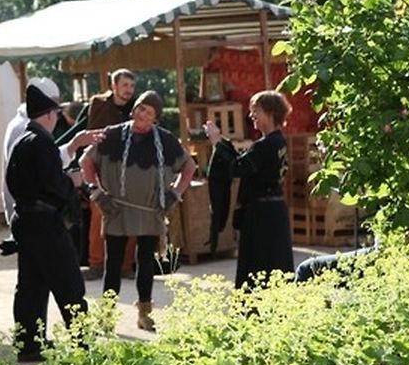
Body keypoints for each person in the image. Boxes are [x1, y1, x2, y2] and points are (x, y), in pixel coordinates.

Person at [81, 90, 195, 332]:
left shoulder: (165, 140)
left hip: (150, 210)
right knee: (113, 263)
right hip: (116, 209)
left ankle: (144, 314)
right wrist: (96, 191)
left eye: (150, 112)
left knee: (145, 263)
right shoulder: (112, 135)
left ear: (155, 118)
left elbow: (189, 166)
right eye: (141, 108)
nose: (143, 114)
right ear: (134, 109)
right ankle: (107, 315)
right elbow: (86, 161)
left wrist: (175, 193)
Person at [5, 85, 89, 362]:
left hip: (26, 220)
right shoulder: (42, 143)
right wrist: (72, 181)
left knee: (31, 286)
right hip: (45, 224)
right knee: (69, 284)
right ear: (50, 115)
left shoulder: (21, 141)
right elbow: (53, 185)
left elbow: (14, 183)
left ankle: (28, 344)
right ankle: (81, 346)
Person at [204, 90, 294, 289]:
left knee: (259, 265)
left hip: (262, 216)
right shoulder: (277, 141)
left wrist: (218, 143)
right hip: (272, 211)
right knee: (274, 263)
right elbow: (243, 162)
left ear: (270, 113)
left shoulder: (266, 145)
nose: (252, 115)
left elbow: (237, 168)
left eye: (256, 111)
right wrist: (222, 144)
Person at [59, 69, 139, 278]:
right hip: (103, 169)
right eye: (125, 85)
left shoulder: (137, 106)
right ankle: (96, 264)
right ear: (114, 86)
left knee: (130, 218)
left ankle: (125, 266)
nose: (129, 90)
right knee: (99, 219)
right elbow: (92, 135)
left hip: (131, 170)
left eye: (131, 86)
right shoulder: (99, 104)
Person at [1, 77, 102, 223]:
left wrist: (74, 144)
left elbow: (44, 164)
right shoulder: (28, 131)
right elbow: (45, 176)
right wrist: (70, 181)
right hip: (36, 216)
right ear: (48, 112)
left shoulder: (32, 131)